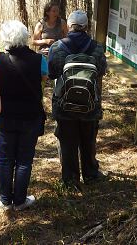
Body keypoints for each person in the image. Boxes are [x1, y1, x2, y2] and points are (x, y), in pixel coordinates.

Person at [47, 10, 107, 191]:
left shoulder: (57, 47)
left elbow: (51, 73)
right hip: (90, 104)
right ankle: (91, 174)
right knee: (88, 139)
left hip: (64, 104)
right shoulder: (96, 47)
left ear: (69, 26)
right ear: (86, 27)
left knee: (67, 141)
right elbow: (102, 71)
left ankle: (70, 179)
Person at [0, 20, 47, 211]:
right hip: (30, 115)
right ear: (24, 37)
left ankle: (5, 200)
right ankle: (20, 200)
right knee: (24, 159)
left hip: (4, 115)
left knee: (5, 159)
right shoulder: (39, 60)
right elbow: (45, 78)